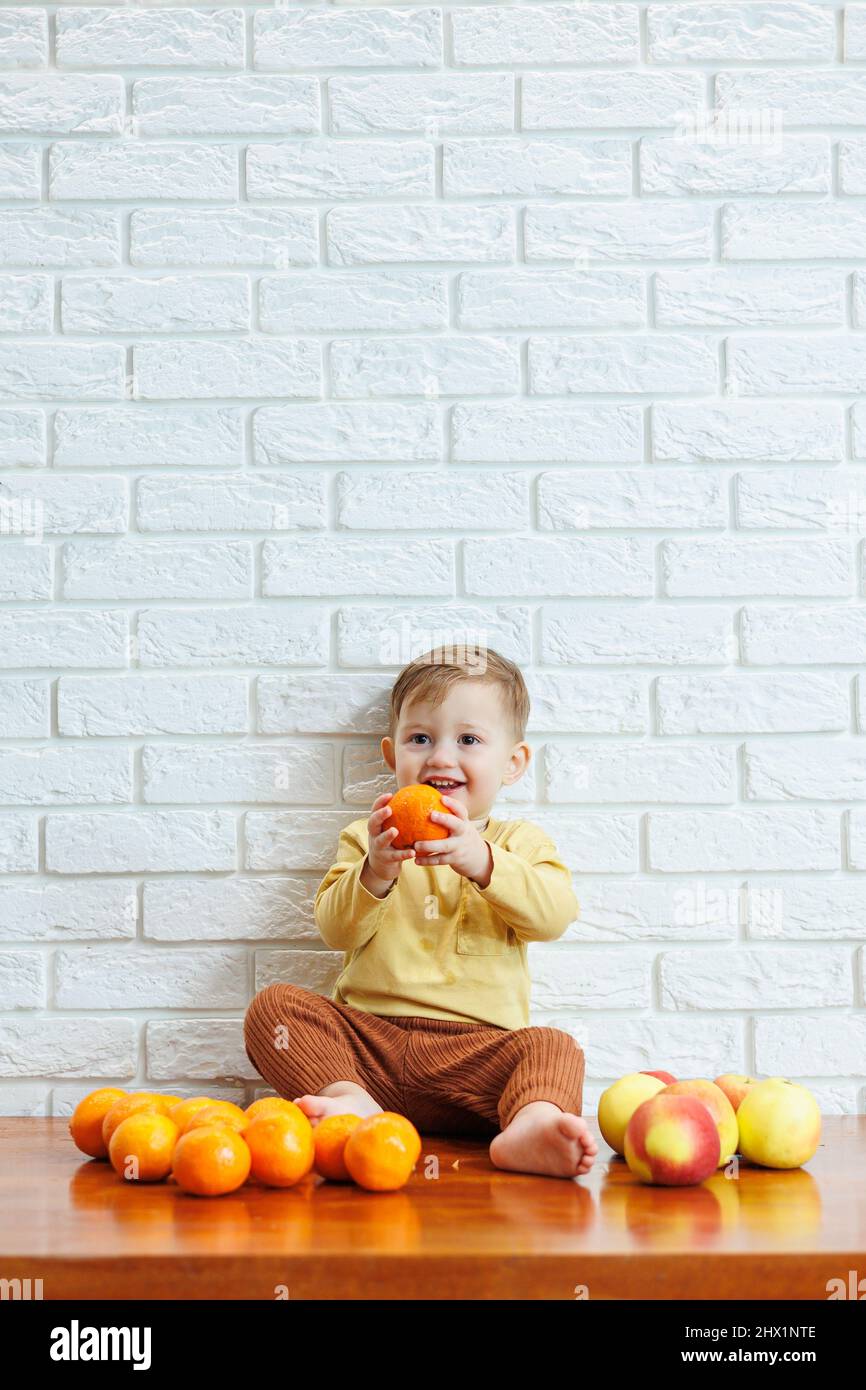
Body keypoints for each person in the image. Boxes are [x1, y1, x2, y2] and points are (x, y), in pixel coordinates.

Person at [243, 644, 597, 1180]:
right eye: (421, 738)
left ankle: (530, 1124)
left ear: (513, 763)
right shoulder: (370, 839)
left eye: (469, 740)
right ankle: (351, 1105)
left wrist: (483, 863)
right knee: (275, 1009)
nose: (440, 757)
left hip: (476, 1060)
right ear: (393, 755)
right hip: (370, 1049)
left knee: (553, 1047)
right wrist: (377, 870)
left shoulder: (517, 842)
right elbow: (335, 930)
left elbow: (553, 916)